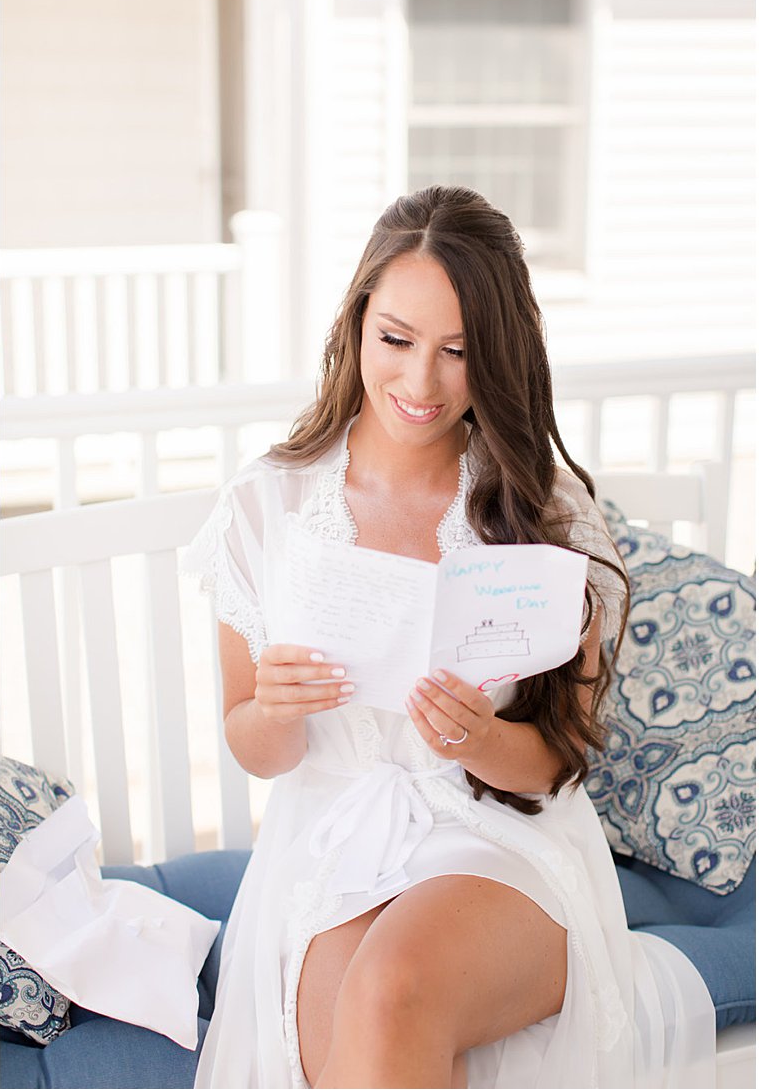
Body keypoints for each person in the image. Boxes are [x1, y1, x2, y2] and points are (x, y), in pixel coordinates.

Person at [185, 186, 715, 1087]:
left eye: (457, 351)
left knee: (391, 989)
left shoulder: (544, 511)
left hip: (500, 833)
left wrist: (476, 737)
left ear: (497, 357)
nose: (419, 383)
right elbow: (254, 746)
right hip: (334, 836)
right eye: (395, 339)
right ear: (356, 326)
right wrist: (275, 707)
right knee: (336, 1035)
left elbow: (553, 763)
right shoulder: (263, 507)